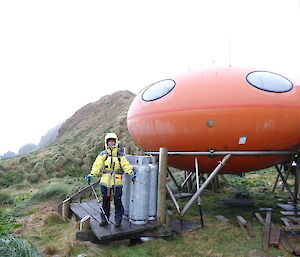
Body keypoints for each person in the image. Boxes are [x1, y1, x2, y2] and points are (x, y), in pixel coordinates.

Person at [85, 133, 136, 227]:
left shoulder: (120, 155)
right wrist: (91, 174)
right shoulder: (103, 154)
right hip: (105, 182)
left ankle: (118, 220)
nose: (111, 143)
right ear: (106, 142)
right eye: (109, 141)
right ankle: (104, 219)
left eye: (113, 141)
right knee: (105, 201)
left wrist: (131, 172)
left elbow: (126, 165)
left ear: (116, 142)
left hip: (117, 181)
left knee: (118, 201)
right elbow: (97, 165)